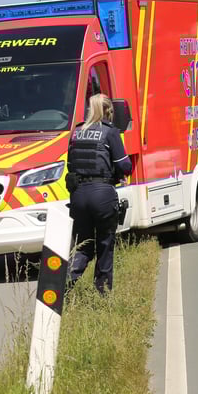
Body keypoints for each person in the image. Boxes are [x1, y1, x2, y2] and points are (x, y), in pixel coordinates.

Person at [66, 94, 132, 295]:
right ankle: (102, 293)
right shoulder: (109, 132)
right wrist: (119, 171)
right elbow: (125, 165)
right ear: (108, 111)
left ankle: (63, 285)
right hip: (102, 194)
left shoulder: (76, 132)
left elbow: (71, 165)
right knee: (105, 244)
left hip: (78, 196)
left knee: (83, 244)